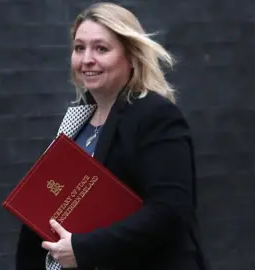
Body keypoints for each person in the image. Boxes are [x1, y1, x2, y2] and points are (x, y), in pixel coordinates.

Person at [15, 2, 209, 270]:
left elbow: (170, 212)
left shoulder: (156, 116)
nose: (87, 59)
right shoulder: (77, 121)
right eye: (79, 48)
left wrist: (83, 249)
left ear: (130, 57)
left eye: (101, 48)